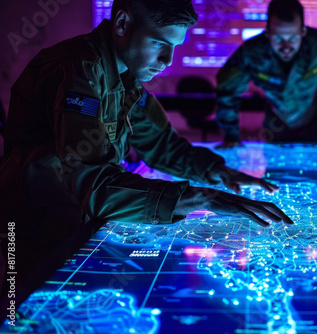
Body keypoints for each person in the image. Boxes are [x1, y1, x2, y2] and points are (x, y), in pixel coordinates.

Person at [0, 0, 294, 312]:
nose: (167, 60)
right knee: (28, 314)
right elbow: (95, 184)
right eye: (158, 43)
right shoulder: (78, 71)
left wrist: (217, 171)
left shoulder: (125, 76)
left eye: (174, 47)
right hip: (35, 222)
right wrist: (201, 199)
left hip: (76, 216)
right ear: (122, 24)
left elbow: (162, 145)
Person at [215, 0, 317, 151]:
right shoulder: (251, 52)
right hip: (274, 127)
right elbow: (227, 89)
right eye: (278, 39)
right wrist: (231, 136)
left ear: (303, 31)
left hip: (315, 124)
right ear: (268, 32)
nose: (286, 48)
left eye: (293, 38)